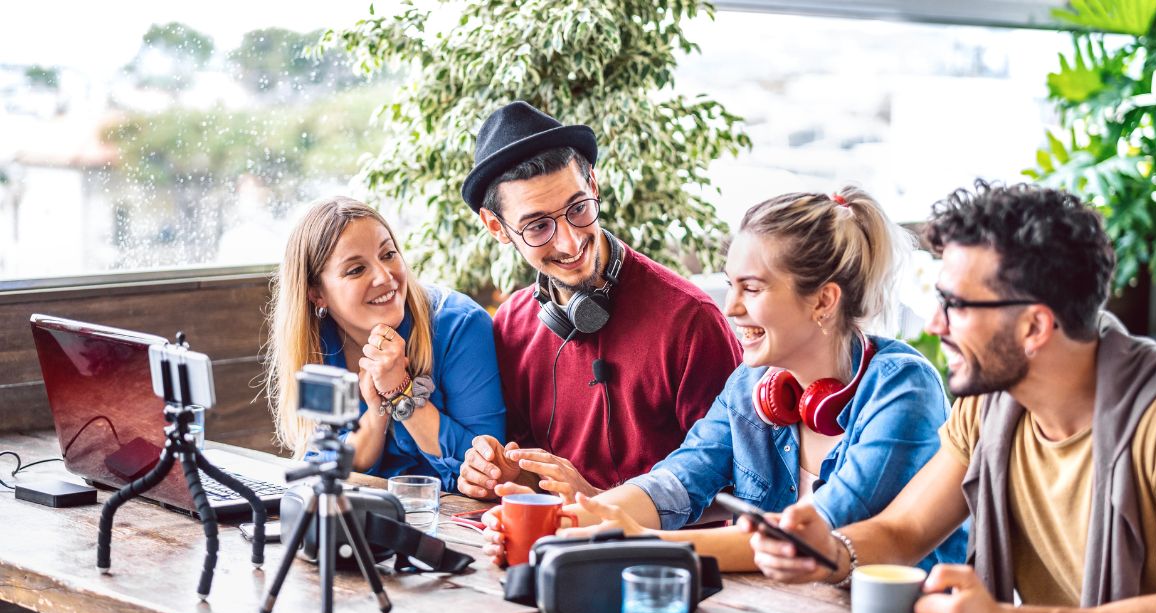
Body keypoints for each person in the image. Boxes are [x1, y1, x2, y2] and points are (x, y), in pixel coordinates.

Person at [749, 182, 1156, 613]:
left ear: (1034, 326)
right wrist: (831, 550)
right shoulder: (992, 405)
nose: (935, 324)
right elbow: (904, 530)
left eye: (954, 305)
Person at [481, 188, 968, 572]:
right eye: (730, 284)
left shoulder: (903, 389)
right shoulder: (752, 384)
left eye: (751, 289)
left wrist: (635, 541)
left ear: (823, 301)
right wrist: (569, 522)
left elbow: (811, 538)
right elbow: (679, 479)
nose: (731, 309)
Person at [457, 101, 742, 499]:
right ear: (497, 228)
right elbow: (529, 479)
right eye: (538, 226)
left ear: (593, 185)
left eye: (578, 209)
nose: (570, 241)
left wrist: (599, 502)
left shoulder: (691, 322)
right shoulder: (511, 325)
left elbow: (735, 491)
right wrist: (499, 475)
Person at [264, 197, 506, 489]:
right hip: (362, 516)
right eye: (356, 270)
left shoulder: (458, 325)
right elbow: (324, 464)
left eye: (388, 254)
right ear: (317, 294)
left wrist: (399, 390)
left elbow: (487, 468)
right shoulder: (317, 342)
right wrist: (377, 412)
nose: (384, 276)